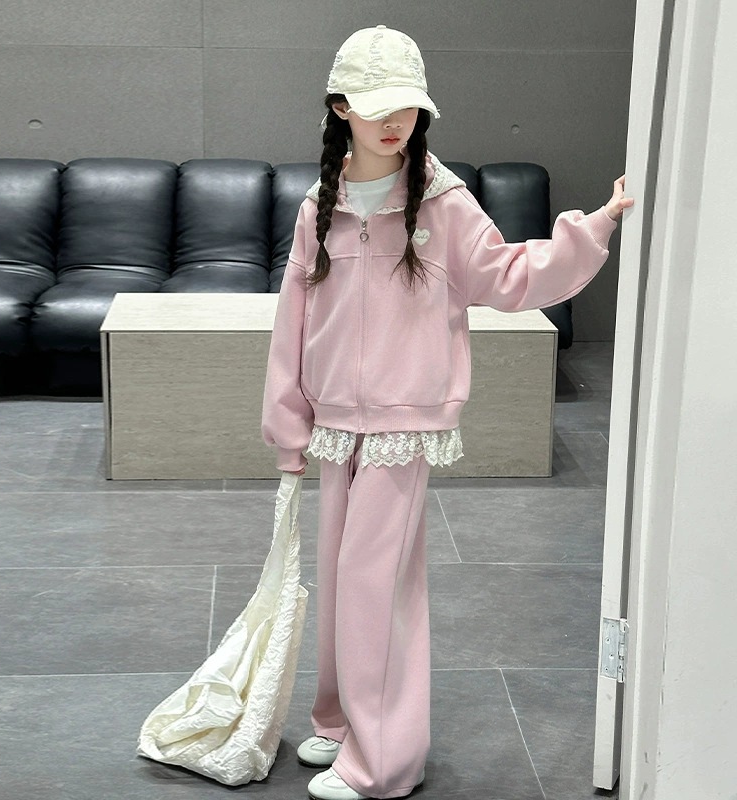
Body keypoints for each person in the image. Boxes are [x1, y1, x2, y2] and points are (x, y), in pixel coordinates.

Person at [261, 24, 633, 800]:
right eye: (376, 105)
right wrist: (287, 420)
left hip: (405, 422)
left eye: (407, 106)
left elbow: (508, 276)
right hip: (335, 421)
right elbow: (293, 318)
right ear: (340, 108)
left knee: (375, 585)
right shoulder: (318, 207)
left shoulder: (444, 202)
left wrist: (592, 227)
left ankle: (385, 762)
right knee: (340, 579)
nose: (394, 121)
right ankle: (340, 722)